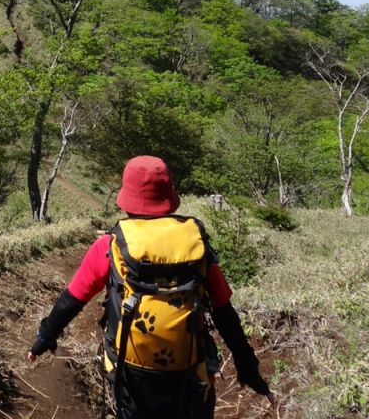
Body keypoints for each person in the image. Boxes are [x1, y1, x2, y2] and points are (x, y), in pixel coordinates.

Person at [26, 155, 272, 419]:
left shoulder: (110, 247)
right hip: (191, 376)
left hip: (132, 378)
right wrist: (248, 367)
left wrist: (44, 338)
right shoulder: (195, 245)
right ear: (169, 195)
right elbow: (225, 314)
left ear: (126, 197)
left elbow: (71, 301)